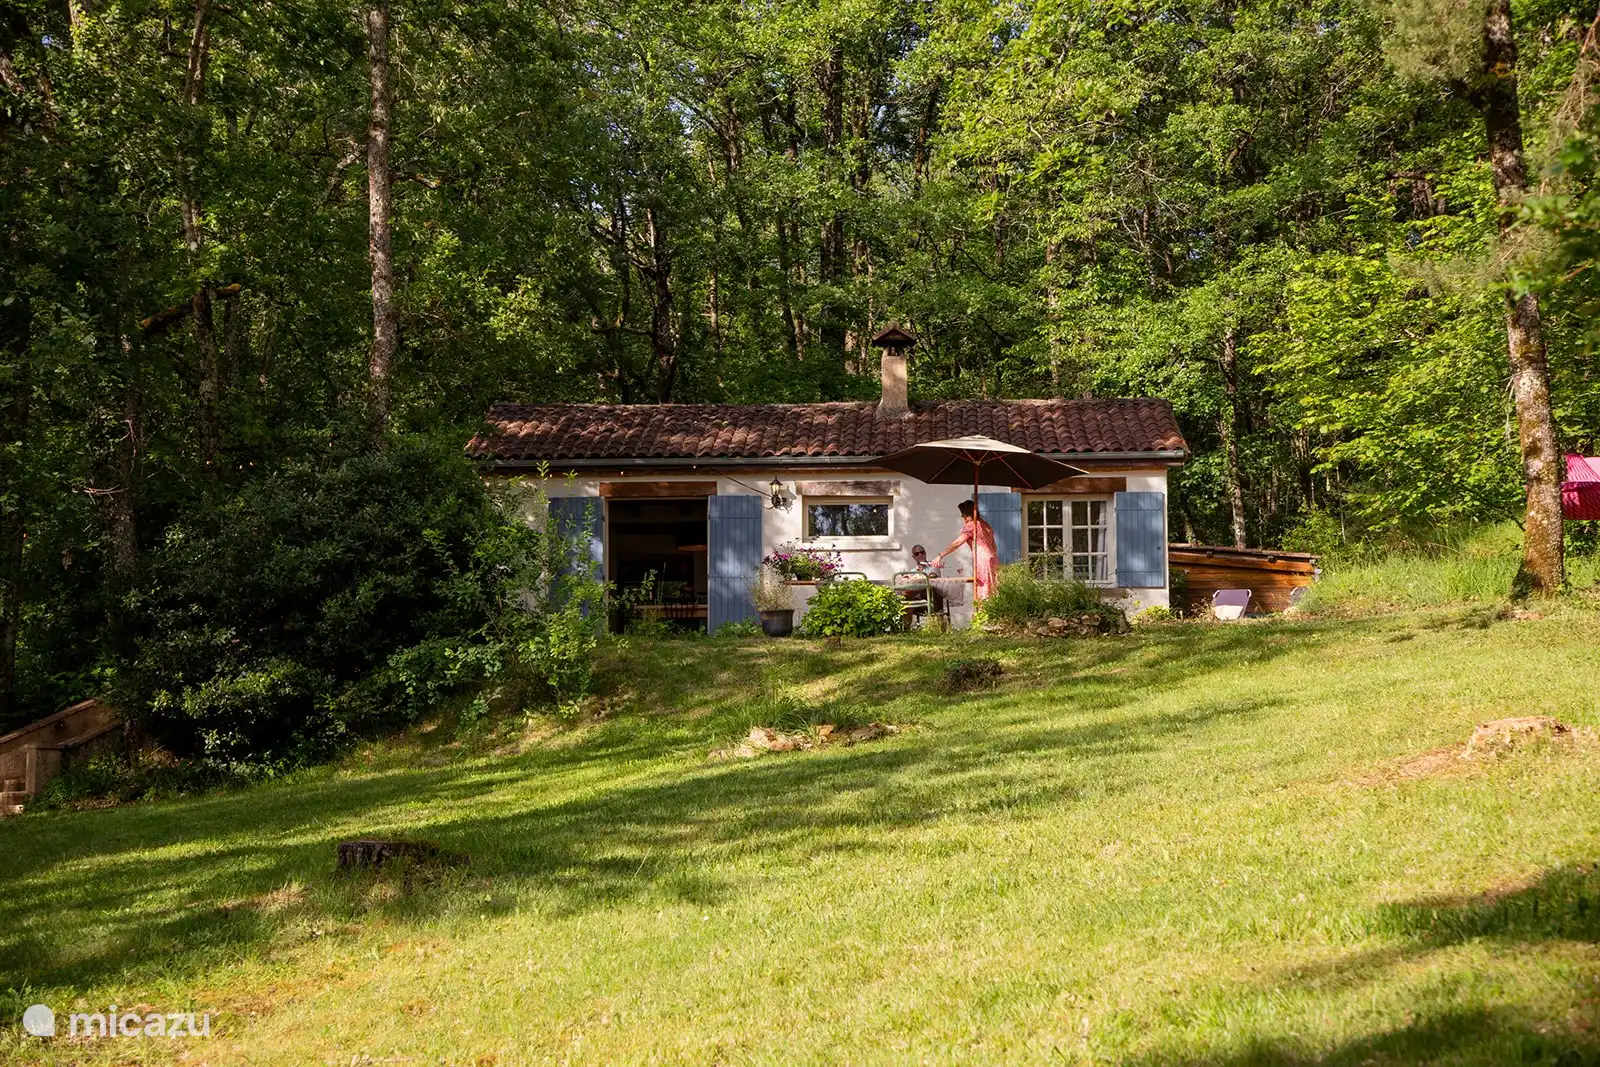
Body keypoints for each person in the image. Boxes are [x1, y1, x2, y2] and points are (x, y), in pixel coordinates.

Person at [932, 499, 998, 602]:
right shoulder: (985, 524)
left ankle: (980, 617)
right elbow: (994, 547)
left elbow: (958, 543)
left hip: (982, 562)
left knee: (983, 594)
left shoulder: (971, 525)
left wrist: (940, 555)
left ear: (966, 514)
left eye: (962, 515)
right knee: (993, 593)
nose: (962, 517)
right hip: (993, 560)